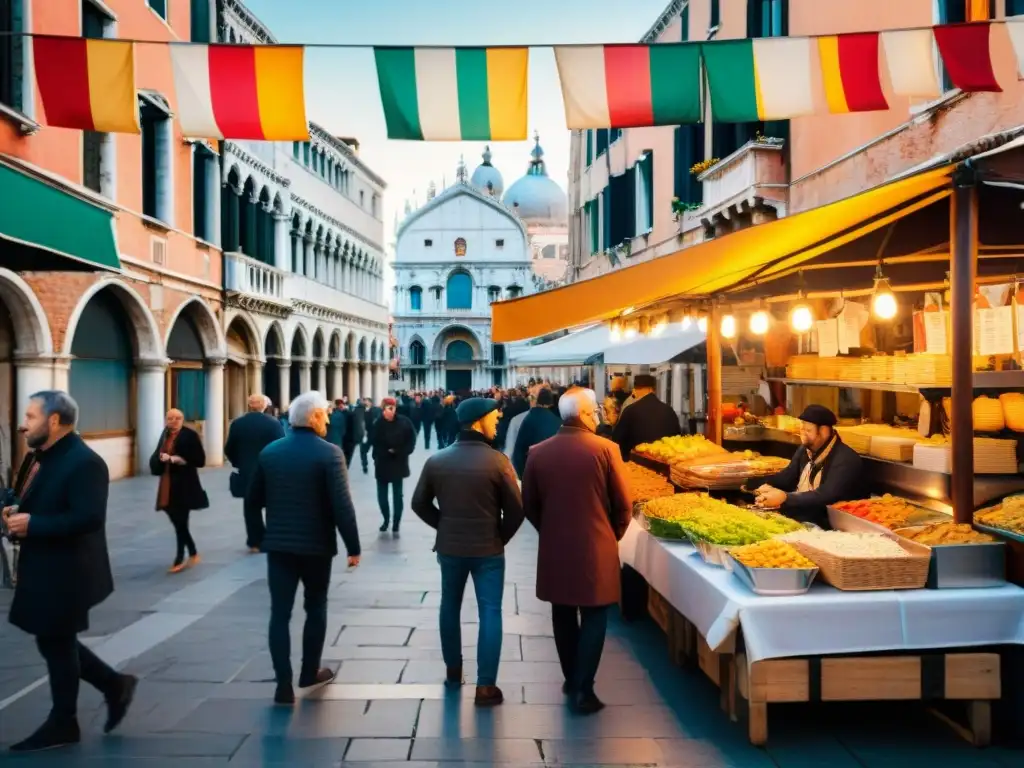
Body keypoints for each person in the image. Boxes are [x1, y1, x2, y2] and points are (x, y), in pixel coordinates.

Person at [5, 391, 137, 752]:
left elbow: (89, 517)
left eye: (31, 416)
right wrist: (11, 508)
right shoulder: (38, 456)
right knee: (53, 639)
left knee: (57, 641)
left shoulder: (85, 462)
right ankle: (113, 685)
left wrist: (33, 524)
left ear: (53, 421)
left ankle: (65, 721)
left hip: (69, 570)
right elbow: (23, 496)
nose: (23, 423)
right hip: (44, 564)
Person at [246, 391, 361, 705]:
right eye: (324, 414)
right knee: (315, 607)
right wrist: (353, 546)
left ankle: (283, 685)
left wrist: (259, 536)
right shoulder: (329, 453)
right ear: (314, 418)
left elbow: (252, 500)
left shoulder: (271, 452)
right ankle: (309, 672)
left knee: (279, 614)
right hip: (316, 546)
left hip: (280, 547)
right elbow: (342, 506)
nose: (327, 418)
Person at [522, 388, 632, 715]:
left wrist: (550, 529)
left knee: (563, 612)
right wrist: (611, 535)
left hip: (555, 546)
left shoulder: (538, 452)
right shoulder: (606, 449)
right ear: (582, 414)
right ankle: (584, 687)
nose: (598, 415)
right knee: (596, 614)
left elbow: (529, 504)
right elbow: (624, 506)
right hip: (596, 545)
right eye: (595, 410)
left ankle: (572, 678)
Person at [411, 397, 524, 707]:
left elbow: (418, 503)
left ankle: (453, 670)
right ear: (478, 422)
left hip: (450, 547)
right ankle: (485, 686)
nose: (498, 421)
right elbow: (516, 510)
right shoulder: (498, 461)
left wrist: (443, 526)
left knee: (450, 605)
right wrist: (499, 536)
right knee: (490, 611)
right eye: (494, 417)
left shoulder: (438, 460)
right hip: (488, 549)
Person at [747, 405, 863, 528]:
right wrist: (761, 485)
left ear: (824, 431)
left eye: (808, 431)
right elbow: (788, 476)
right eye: (802, 429)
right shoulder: (805, 449)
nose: (803, 434)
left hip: (829, 524)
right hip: (804, 514)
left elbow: (826, 495)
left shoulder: (846, 459)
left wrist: (785, 498)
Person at [225, 394, 286, 551]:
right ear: (264, 406)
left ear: (250, 405)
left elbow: (229, 448)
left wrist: (238, 463)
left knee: (251, 507)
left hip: (247, 470)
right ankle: (273, 537)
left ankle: (255, 541)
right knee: (273, 504)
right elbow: (281, 447)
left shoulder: (238, 424)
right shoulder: (273, 423)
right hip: (269, 470)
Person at [150, 409, 208, 574]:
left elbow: (200, 460)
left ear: (183, 419)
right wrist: (160, 459)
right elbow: (158, 453)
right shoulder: (165, 434)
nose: (174, 421)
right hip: (167, 482)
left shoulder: (190, 435)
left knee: (180, 519)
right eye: (170, 418)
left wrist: (177, 459)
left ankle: (180, 556)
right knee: (176, 518)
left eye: (177, 418)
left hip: (185, 483)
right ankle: (193, 552)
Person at [371, 397, 417, 533]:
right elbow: (375, 442)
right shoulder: (377, 423)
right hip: (382, 464)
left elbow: (411, 440)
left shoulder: (404, 422)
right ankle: (386, 519)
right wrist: (383, 452)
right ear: (383, 409)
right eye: (389, 408)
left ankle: (396, 522)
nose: (392, 410)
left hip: (398, 463)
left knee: (398, 496)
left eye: (394, 407)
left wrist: (399, 451)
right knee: (382, 496)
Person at [611, 373, 681, 461]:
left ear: (635, 390)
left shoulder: (630, 410)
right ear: (653, 390)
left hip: (638, 465)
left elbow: (617, 441)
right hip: (665, 464)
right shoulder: (669, 410)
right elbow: (677, 439)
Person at [511, 388, 561, 479]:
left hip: (532, 473)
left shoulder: (528, 420)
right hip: (554, 475)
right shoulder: (558, 421)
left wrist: (523, 476)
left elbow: (518, 452)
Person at [344, 397, 366, 468]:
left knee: (349, 454)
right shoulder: (360, 411)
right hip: (356, 435)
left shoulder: (355, 411)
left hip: (353, 436)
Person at [361, 397, 380, 474]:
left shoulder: (376, 410)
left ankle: (377, 465)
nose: (365, 402)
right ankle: (365, 465)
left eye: (367, 401)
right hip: (366, 434)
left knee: (376, 452)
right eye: (364, 401)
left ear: (370, 403)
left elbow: (377, 420)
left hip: (375, 435)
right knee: (363, 451)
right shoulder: (361, 410)